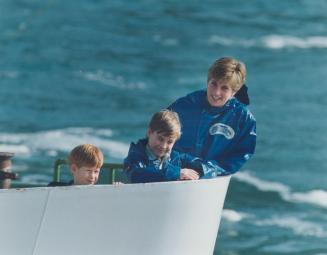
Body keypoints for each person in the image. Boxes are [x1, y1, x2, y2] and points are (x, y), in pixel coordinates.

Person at [168, 57, 256, 178]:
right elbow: (157, 137)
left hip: (211, 180)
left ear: (234, 91)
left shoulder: (243, 119)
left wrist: (206, 170)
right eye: (214, 84)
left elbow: (240, 155)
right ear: (207, 81)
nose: (216, 92)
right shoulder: (184, 105)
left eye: (224, 88)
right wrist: (177, 169)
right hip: (176, 173)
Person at [124, 109, 204, 183]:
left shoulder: (176, 158)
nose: (163, 146)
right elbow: (135, 175)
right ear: (149, 132)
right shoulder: (135, 157)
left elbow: (204, 166)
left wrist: (201, 172)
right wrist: (176, 173)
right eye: (160, 139)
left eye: (169, 142)